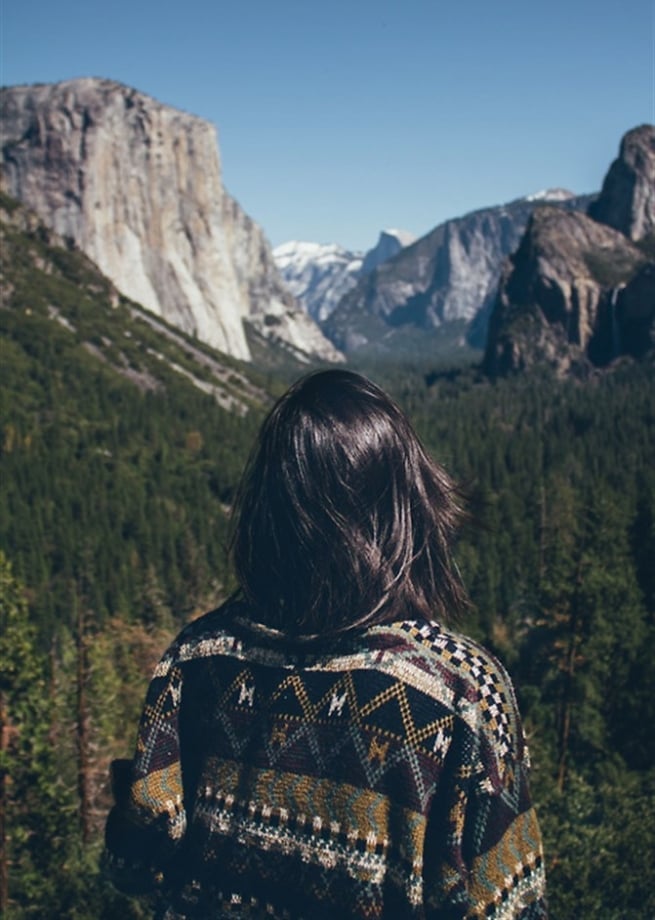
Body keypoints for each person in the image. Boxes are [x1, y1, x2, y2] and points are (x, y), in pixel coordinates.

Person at [105, 369, 546, 919]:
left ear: (271, 507)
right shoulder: (458, 690)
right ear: (407, 504)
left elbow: (135, 867)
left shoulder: (197, 658)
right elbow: (510, 905)